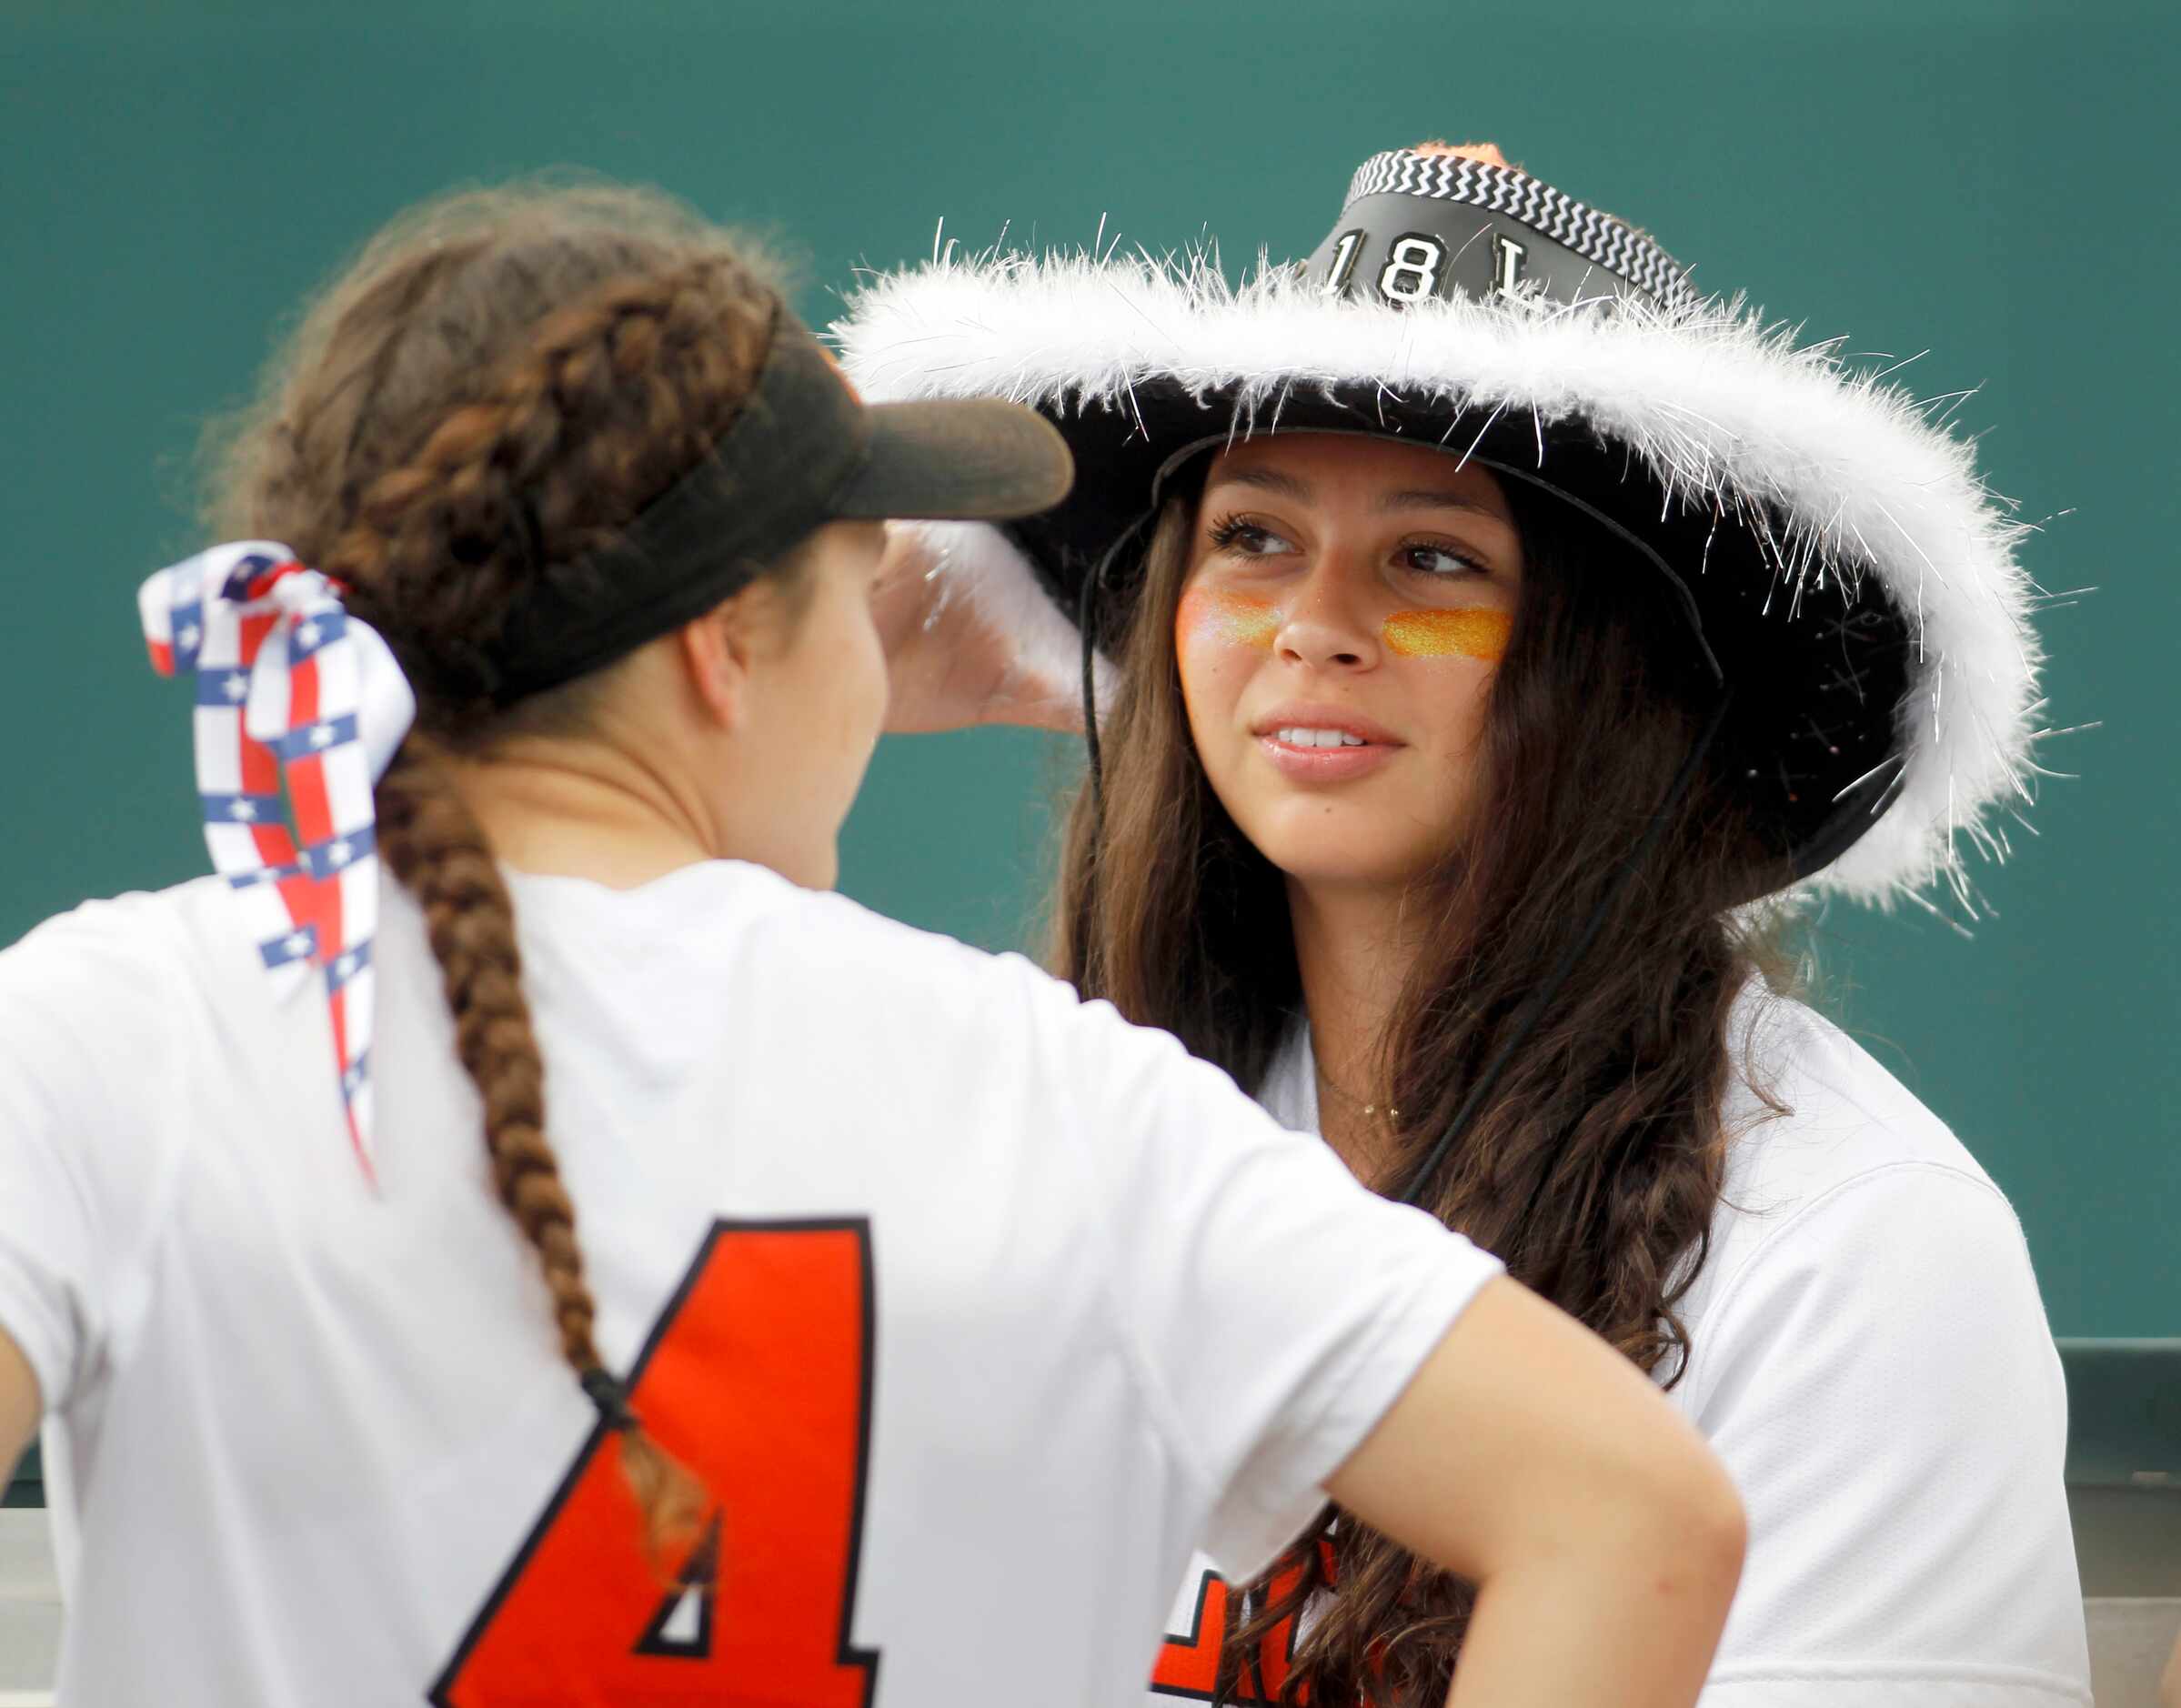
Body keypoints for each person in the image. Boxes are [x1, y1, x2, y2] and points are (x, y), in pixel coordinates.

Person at [0, 179, 1746, 1707]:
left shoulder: (108, 1033)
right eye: (858, 578)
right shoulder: (1060, 1102)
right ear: (717, 645)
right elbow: (1633, 1518)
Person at [839, 143, 2091, 1705]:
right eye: (1248, 539)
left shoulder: (1858, 1247)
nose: (1311, 626)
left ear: (1612, 676)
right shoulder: (1070, 1120)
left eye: (1432, 558)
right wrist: (811, 675)